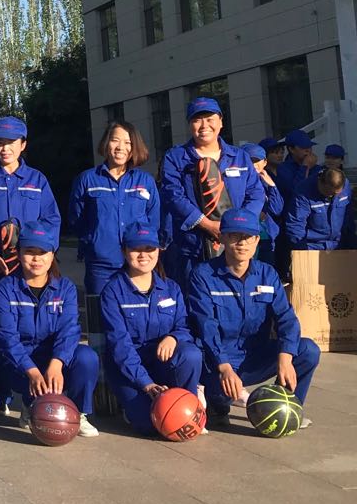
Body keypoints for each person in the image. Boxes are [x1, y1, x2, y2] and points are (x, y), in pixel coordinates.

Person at [185, 208, 320, 429]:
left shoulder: (268, 274)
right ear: (222, 237)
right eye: (234, 235)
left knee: (308, 350)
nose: (242, 242)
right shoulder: (203, 275)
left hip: (255, 356)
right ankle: (217, 406)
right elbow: (206, 326)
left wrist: (285, 357)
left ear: (257, 240)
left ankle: (285, 410)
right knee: (220, 398)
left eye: (248, 236)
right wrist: (224, 368)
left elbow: (286, 318)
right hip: (216, 362)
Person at [0, 224, 99, 437]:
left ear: (52, 256)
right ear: (19, 253)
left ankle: (78, 412)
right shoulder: (5, 288)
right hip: (20, 363)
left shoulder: (65, 288)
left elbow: (69, 330)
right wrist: (31, 371)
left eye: (43, 253)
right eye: (30, 251)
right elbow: (6, 338)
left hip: (53, 358)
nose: (36, 259)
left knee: (86, 357)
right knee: (9, 364)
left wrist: (57, 363)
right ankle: (31, 405)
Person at [98, 225, 201, 436]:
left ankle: (188, 403)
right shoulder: (112, 292)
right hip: (128, 369)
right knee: (150, 425)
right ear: (124, 251)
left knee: (191, 354)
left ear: (158, 251)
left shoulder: (171, 288)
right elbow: (120, 345)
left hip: (162, 363)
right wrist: (146, 384)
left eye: (149, 248)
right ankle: (133, 405)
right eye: (136, 249)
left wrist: (173, 337)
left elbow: (184, 326)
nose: (143, 255)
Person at [158, 98, 264, 285]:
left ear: (221, 122)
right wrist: (206, 224)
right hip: (191, 250)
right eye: (197, 120)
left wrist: (238, 225)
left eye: (210, 119)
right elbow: (173, 196)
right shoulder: (175, 158)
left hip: (236, 247)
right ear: (190, 125)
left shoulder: (239, 157)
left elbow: (255, 193)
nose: (204, 125)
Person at [0, 115, 61, 301]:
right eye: (0, 143)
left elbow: (51, 220)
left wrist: (41, 255)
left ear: (23, 145)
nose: (5, 149)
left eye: (11, 142)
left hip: (31, 268)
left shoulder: (37, 179)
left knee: (30, 313)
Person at [67, 121, 160, 306]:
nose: (120, 147)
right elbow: (76, 219)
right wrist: (94, 241)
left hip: (137, 265)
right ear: (106, 142)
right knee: (99, 317)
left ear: (134, 147)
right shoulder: (87, 180)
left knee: (135, 315)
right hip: (100, 266)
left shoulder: (145, 181)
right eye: (115, 140)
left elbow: (154, 222)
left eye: (127, 142)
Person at [283, 168, 357, 252]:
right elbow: (296, 225)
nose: (331, 196)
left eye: (335, 194)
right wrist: (303, 252)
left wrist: (353, 246)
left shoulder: (345, 185)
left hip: (339, 244)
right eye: (328, 192)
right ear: (320, 182)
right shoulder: (303, 192)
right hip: (313, 246)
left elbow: (349, 218)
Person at [242, 142, 284, 269]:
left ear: (264, 162)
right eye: (250, 161)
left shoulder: (266, 181)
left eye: (257, 161)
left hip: (266, 236)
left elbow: (277, 209)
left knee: (266, 271)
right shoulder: (237, 183)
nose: (253, 165)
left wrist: (272, 186)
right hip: (244, 236)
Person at [274, 130, 320, 214]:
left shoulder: (316, 167)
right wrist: (305, 167)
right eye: (303, 148)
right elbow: (296, 191)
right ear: (291, 149)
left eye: (309, 147)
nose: (308, 151)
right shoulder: (282, 168)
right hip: (294, 212)